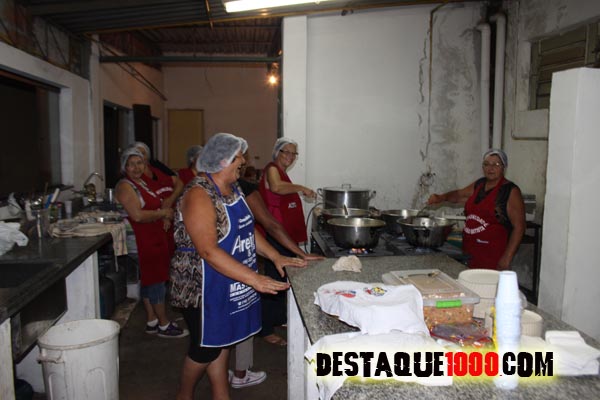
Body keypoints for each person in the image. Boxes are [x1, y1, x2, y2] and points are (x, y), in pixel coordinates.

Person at [169, 133, 307, 400]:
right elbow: (208, 250)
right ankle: (183, 395)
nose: (243, 161)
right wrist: (255, 279)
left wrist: (275, 256)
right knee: (204, 348)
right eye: (238, 157)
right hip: (200, 285)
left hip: (228, 278)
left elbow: (247, 230)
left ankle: (221, 394)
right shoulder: (199, 194)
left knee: (223, 340)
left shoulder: (233, 189)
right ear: (223, 161)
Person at [115, 148, 188, 338]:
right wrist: (163, 213)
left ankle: (152, 321)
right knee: (156, 282)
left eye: (139, 163)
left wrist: (163, 216)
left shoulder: (141, 183)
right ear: (124, 167)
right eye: (131, 164)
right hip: (141, 241)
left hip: (153, 237)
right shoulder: (125, 186)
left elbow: (157, 204)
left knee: (149, 281)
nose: (136, 167)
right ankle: (164, 324)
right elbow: (137, 215)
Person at [258, 137, 317, 346]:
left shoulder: (282, 172)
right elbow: (276, 188)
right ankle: (265, 329)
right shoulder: (272, 169)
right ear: (277, 152)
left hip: (284, 236)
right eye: (287, 152)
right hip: (275, 235)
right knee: (274, 279)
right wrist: (301, 187)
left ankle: (278, 318)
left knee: (284, 278)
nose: (290, 156)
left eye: (294, 153)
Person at [427, 148, 526, 270]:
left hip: (493, 255)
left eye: (496, 164)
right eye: (486, 164)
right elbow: (459, 195)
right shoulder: (479, 185)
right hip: (470, 250)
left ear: (504, 167)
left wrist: (507, 258)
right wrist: (441, 197)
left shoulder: (510, 191)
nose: (490, 168)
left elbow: (519, 227)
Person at [129, 141, 184, 257]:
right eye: (136, 153)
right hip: (157, 221)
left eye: (142, 153)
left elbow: (179, 183)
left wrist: (171, 198)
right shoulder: (136, 175)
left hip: (172, 215)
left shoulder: (157, 167)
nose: (140, 156)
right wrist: (164, 214)